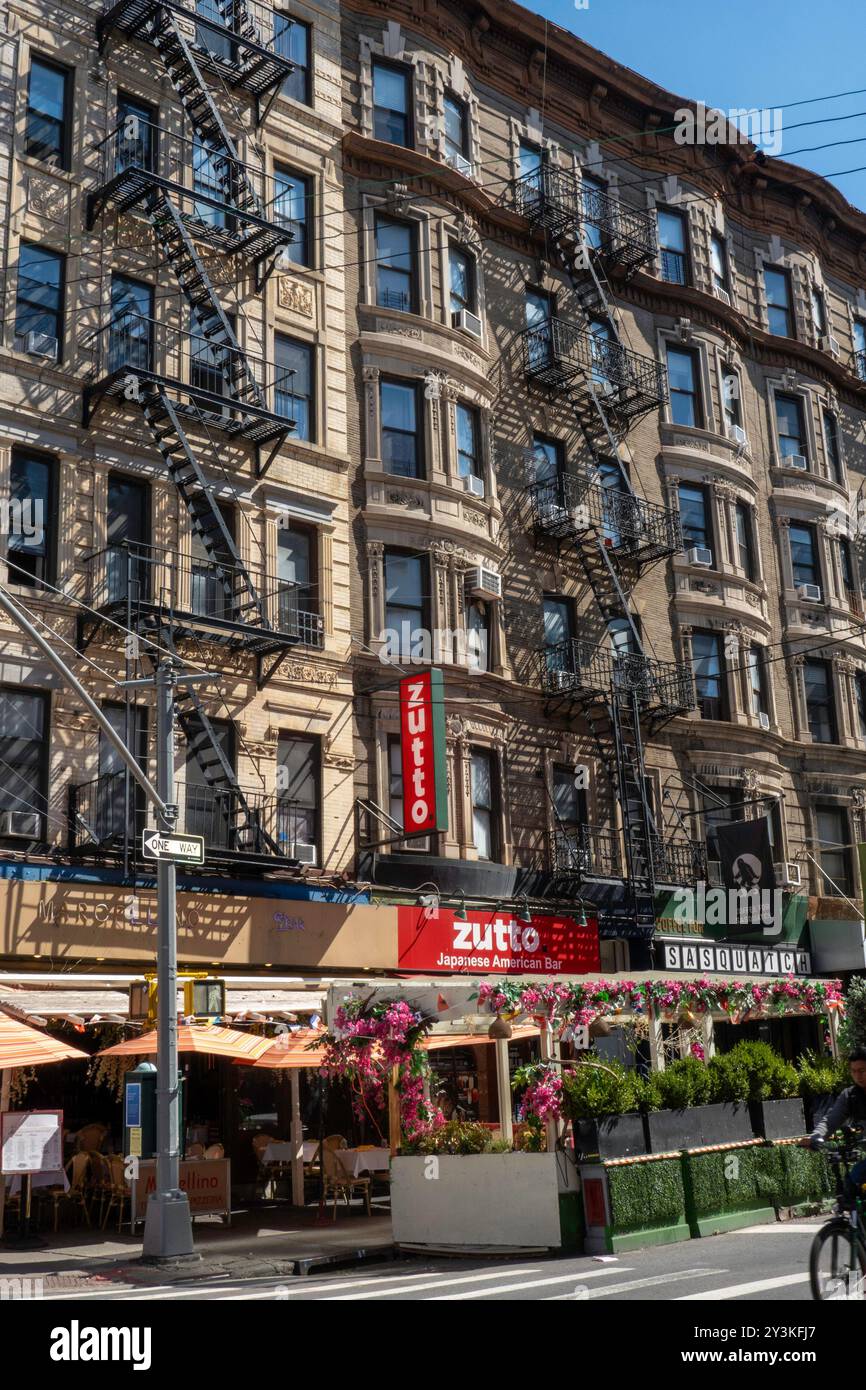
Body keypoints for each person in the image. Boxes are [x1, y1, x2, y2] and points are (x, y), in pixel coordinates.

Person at [800, 1047, 866, 1200]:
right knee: (852, 1184)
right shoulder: (850, 1096)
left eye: (862, 1070)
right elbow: (830, 1120)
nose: (858, 1076)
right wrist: (815, 1137)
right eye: (854, 1071)